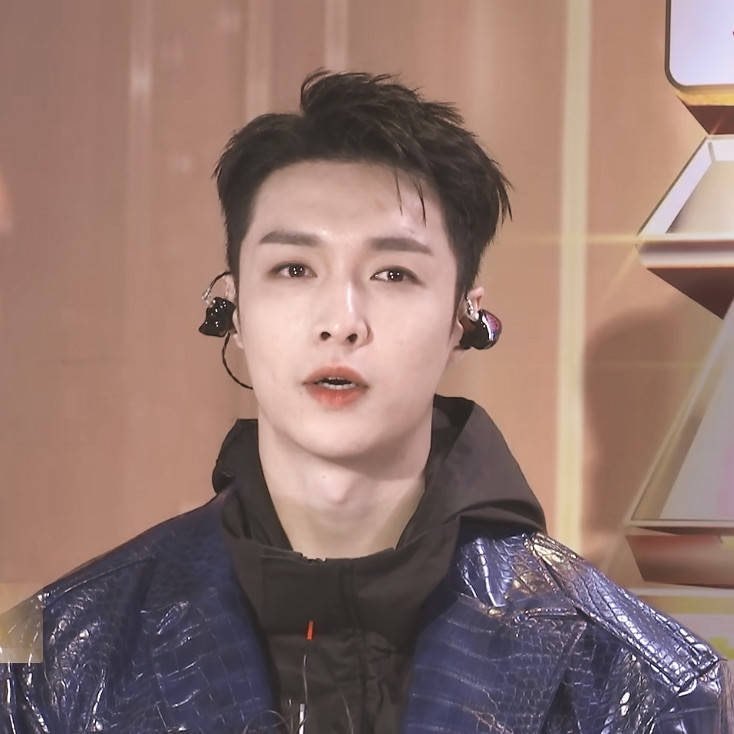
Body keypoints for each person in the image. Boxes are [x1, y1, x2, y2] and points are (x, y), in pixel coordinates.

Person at [1, 70, 731, 734]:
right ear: (233, 308)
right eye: (294, 268)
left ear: (463, 317)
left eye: (392, 274)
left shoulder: (646, 684)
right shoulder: (57, 663)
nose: (341, 320)